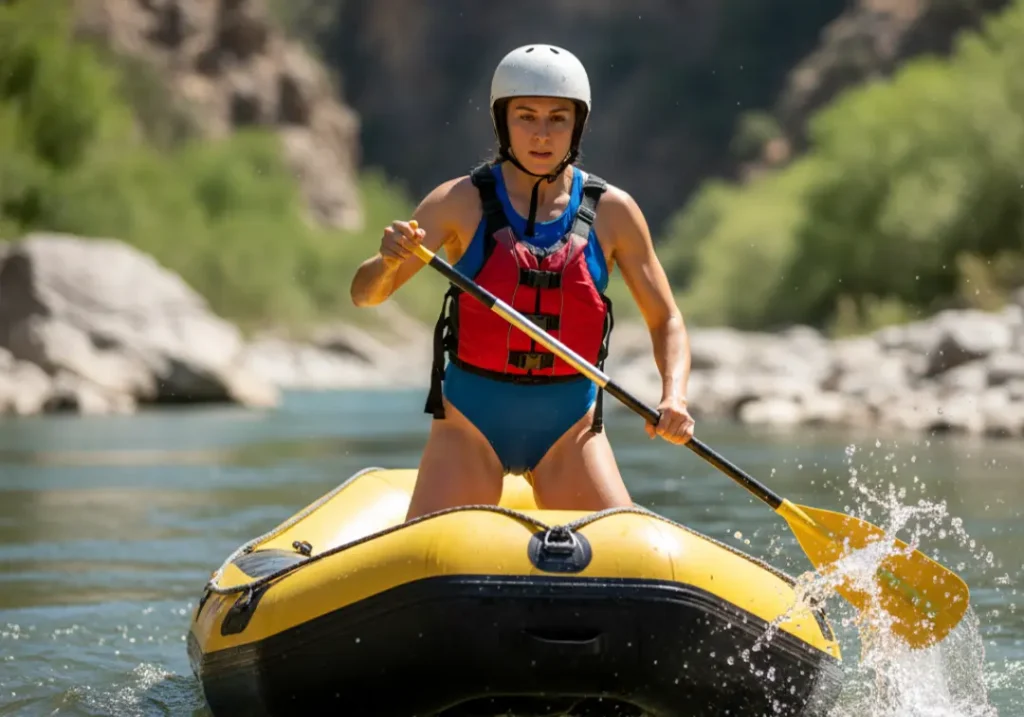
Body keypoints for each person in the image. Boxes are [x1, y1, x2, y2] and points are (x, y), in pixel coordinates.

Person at [350, 44, 695, 520]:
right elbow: (366, 295)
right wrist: (386, 261)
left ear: (577, 126)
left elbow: (667, 319)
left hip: (569, 427)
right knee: (432, 556)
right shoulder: (457, 202)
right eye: (526, 116)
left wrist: (673, 395)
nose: (541, 134)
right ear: (502, 122)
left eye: (557, 118)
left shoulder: (614, 212)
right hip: (470, 423)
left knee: (617, 554)